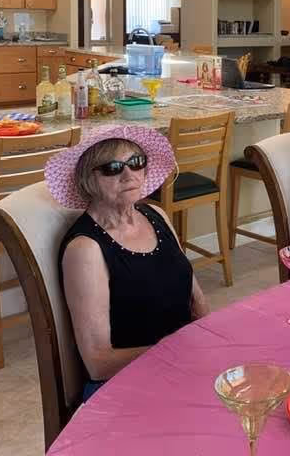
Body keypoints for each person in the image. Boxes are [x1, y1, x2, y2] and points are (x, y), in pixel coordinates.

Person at [45, 125, 209, 401]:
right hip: (123, 385)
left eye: (136, 162)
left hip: (181, 365)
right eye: (111, 167)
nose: (128, 174)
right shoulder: (85, 249)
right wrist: (179, 350)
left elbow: (198, 303)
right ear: (88, 179)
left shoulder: (157, 215)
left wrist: (206, 352)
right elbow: (98, 363)